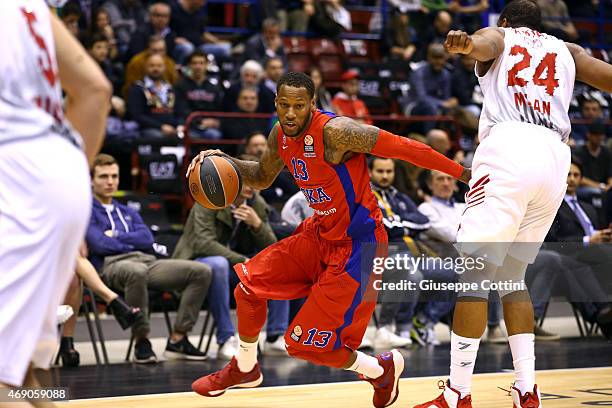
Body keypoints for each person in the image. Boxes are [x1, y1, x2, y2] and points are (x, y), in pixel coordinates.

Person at [188, 71, 469, 407]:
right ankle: (245, 368)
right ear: (275, 103)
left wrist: (462, 173)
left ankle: (380, 371)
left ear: (312, 104)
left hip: (358, 246)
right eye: (284, 105)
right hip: (318, 233)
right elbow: (262, 177)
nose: (290, 113)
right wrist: (223, 160)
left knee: (303, 345)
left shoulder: (337, 133)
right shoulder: (280, 134)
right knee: (248, 287)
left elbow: (403, 147)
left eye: (299, 106)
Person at [414, 1, 612, 407]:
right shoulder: (567, 50)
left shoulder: (502, 35)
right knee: (511, 276)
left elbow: (484, 44)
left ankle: (456, 393)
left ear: (506, 21)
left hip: (511, 148)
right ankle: (527, 388)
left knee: (473, 275)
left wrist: (467, 43)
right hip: (556, 159)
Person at [0, 0, 110, 401]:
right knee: (23, 368)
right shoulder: (27, 7)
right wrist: (68, 194)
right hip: (61, 169)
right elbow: (96, 91)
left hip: (15, 178)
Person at [86, 154, 212, 364]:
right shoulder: (86, 210)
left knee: (200, 271)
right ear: (91, 180)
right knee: (136, 272)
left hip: (145, 261)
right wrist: (130, 242)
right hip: (111, 265)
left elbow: (146, 238)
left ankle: (178, 338)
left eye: (114, 176)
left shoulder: (126, 210)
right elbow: (98, 244)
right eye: (103, 176)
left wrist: (116, 235)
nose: (110, 181)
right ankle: (141, 340)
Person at [173, 159, 289, 359]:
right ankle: (226, 338)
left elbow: (271, 246)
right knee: (218, 264)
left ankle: (275, 337)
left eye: (256, 181)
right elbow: (203, 244)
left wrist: (257, 225)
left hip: (232, 269)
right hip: (195, 264)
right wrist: (242, 260)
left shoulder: (255, 203)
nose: (251, 187)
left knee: (278, 264)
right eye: (247, 181)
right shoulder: (208, 198)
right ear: (230, 179)